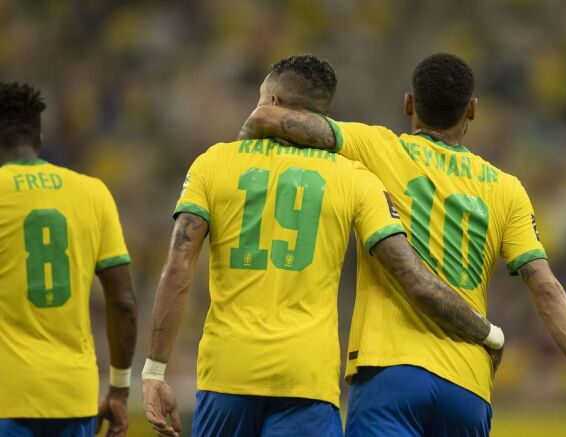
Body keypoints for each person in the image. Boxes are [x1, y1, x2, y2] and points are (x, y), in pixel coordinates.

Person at [240, 52, 566, 437]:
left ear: (409, 103)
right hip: (467, 384)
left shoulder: (378, 147)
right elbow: (546, 288)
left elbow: (268, 118)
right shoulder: (508, 189)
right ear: (472, 110)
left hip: (389, 374)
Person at [141, 55, 504, 437]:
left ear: (274, 104)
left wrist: (154, 371)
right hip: (307, 381)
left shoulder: (213, 163)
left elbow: (178, 269)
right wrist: (486, 332)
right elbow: (411, 275)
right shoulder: (354, 178)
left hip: (227, 374)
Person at [0, 82, 137, 437]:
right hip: (74, 399)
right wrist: (119, 390)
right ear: (39, 138)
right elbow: (122, 302)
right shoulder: (92, 193)